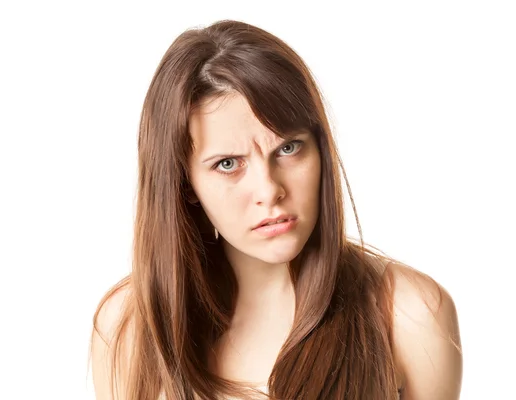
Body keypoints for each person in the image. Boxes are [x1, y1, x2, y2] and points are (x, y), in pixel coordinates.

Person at [89, 19, 462, 400]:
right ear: (185, 184)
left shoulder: (410, 315)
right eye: (228, 164)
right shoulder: (128, 327)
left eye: (288, 148)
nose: (269, 190)